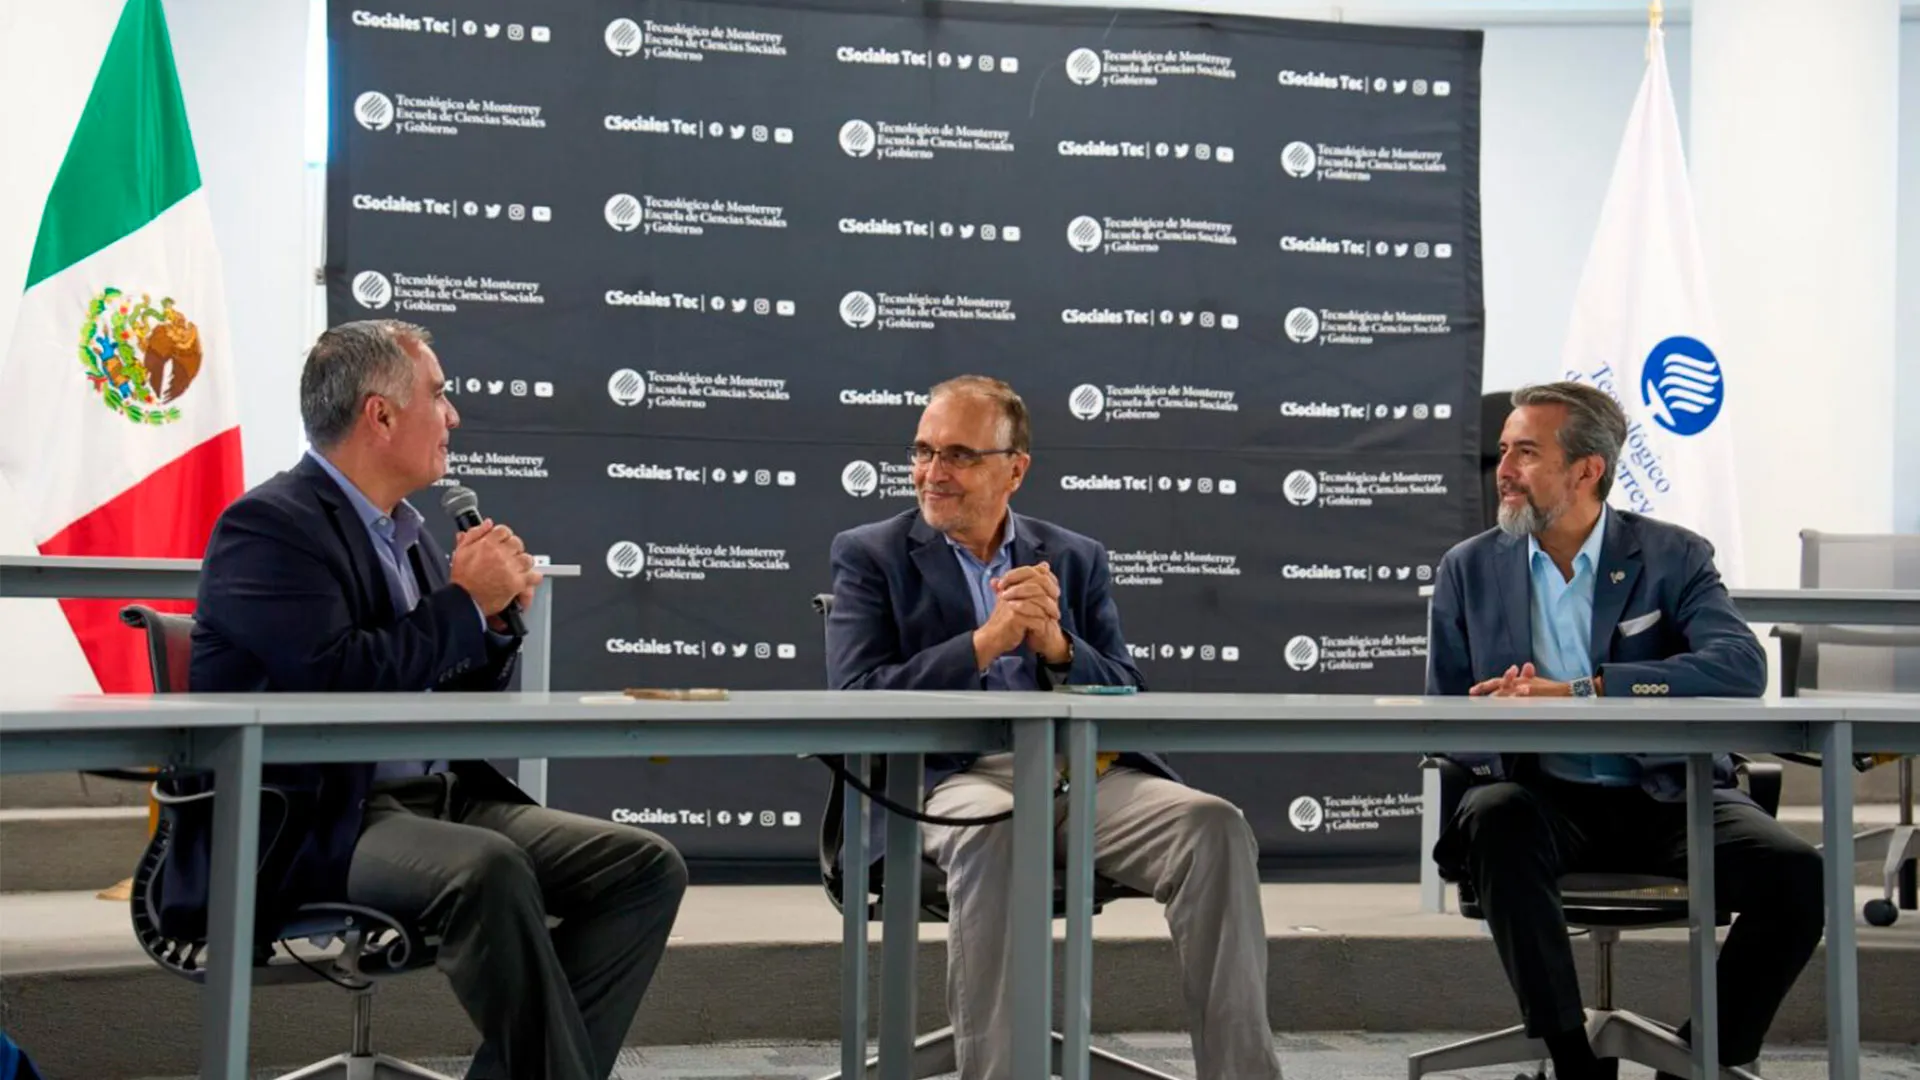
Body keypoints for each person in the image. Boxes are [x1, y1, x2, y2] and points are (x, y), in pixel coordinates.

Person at [189, 319, 687, 1080]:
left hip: (437, 797)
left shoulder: (415, 535)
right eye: (439, 394)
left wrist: (490, 625)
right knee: (486, 869)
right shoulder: (267, 527)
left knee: (644, 867)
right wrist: (460, 603)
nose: (453, 415)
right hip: (320, 818)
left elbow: (452, 690)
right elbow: (337, 680)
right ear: (380, 415)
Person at [826, 375, 1282, 1080]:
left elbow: (1127, 689)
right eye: (922, 451)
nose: (932, 473)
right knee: (997, 829)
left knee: (1211, 826)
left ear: (1016, 468)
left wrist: (1058, 649)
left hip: (1077, 774)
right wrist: (985, 643)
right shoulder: (871, 554)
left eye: (958, 455)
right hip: (944, 782)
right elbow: (858, 695)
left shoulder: (1073, 555)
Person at [1426, 381, 1823, 1079]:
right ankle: (1572, 1059)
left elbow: (1738, 666)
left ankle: (1697, 1061)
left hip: (1666, 791)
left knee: (1798, 876)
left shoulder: (1673, 556)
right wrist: (1494, 714)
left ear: (1587, 470)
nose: (1505, 471)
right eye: (1504, 451)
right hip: (1541, 796)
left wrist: (1585, 691)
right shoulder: (1469, 568)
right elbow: (1443, 716)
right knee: (1493, 815)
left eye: (1526, 452)